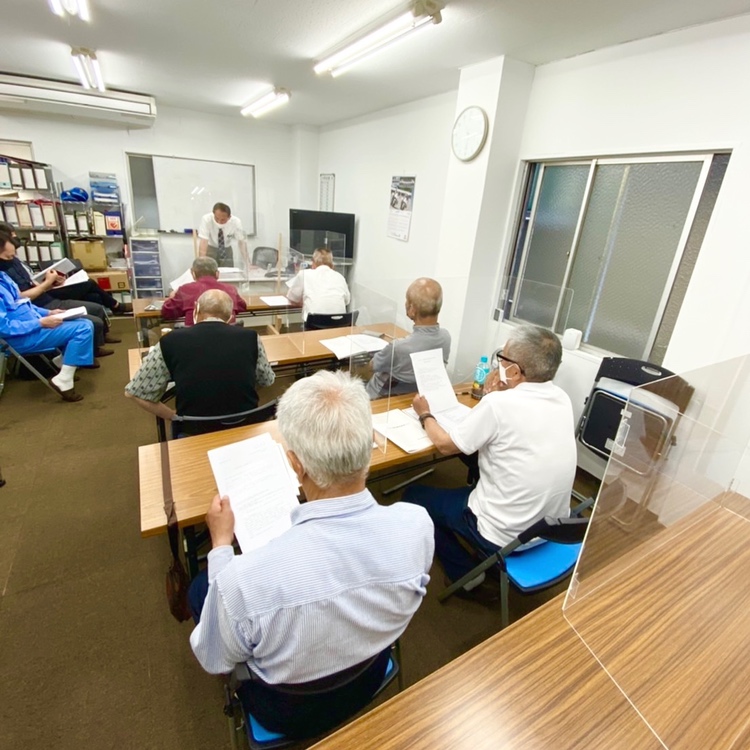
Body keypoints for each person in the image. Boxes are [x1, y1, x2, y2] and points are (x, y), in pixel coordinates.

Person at [188, 370, 434, 738]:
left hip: (285, 711)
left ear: (296, 464)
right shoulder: (417, 526)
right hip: (369, 677)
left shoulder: (243, 581)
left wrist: (221, 545)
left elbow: (215, 658)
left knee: (200, 590)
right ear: (370, 444)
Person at [402, 324, 576, 597]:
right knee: (476, 461)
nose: (498, 364)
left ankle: (464, 575)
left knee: (414, 495)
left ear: (515, 372)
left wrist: (424, 414)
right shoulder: (562, 399)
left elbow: (445, 445)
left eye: (502, 359)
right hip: (552, 531)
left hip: (503, 535)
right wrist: (493, 398)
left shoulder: (499, 405)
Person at [124, 289, 275, 434]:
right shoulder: (251, 337)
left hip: (194, 429)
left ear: (196, 309)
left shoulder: (170, 341)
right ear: (230, 316)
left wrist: (173, 416)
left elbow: (135, 392)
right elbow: (266, 380)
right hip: (246, 424)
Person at [0, 232, 94, 402]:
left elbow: (21, 303)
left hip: (33, 325)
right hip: (20, 337)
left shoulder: (3, 277)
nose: (12, 261)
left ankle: (62, 364)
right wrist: (40, 322)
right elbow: (4, 328)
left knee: (83, 321)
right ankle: (63, 378)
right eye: (8, 257)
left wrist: (47, 313)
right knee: (83, 328)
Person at [0, 227, 115, 358]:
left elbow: (23, 301)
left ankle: (80, 354)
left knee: (93, 299)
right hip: (26, 329)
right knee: (85, 325)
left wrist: (48, 308)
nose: (16, 240)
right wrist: (41, 320)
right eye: (8, 256)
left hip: (37, 311)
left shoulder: (5, 275)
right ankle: (74, 360)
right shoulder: (6, 275)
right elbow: (7, 323)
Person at [0, 223, 132, 315]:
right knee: (89, 284)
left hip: (44, 292)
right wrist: (47, 283)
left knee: (94, 296)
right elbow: (20, 298)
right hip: (41, 300)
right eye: (12, 236)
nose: (15, 239)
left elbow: (31, 282)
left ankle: (105, 329)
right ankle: (116, 306)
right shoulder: (5, 268)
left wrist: (51, 281)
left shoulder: (14, 260)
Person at [365, 277, 451, 399]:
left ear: (412, 310)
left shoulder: (398, 347)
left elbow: (372, 366)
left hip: (380, 398)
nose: (405, 304)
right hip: (417, 397)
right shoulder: (446, 338)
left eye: (407, 301)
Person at [161, 257, 247, 326]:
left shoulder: (185, 290)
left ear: (193, 273)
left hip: (194, 340)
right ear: (217, 274)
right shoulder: (230, 289)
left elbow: (167, 312)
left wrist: (172, 296)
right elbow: (242, 307)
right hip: (228, 339)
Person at [286, 247, 350, 322]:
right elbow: (347, 301)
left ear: (313, 262)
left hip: (314, 324)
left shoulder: (305, 274)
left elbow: (292, 298)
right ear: (332, 264)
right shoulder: (340, 277)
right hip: (339, 324)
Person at [197, 202, 248, 268]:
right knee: (209, 270)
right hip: (211, 248)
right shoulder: (206, 219)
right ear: (213, 214)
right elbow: (204, 241)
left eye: (223, 220)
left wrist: (248, 263)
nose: (219, 222)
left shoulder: (236, 222)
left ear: (229, 217)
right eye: (217, 218)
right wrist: (201, 263)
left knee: (228, 271)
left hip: (226, 249)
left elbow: (241, 242)